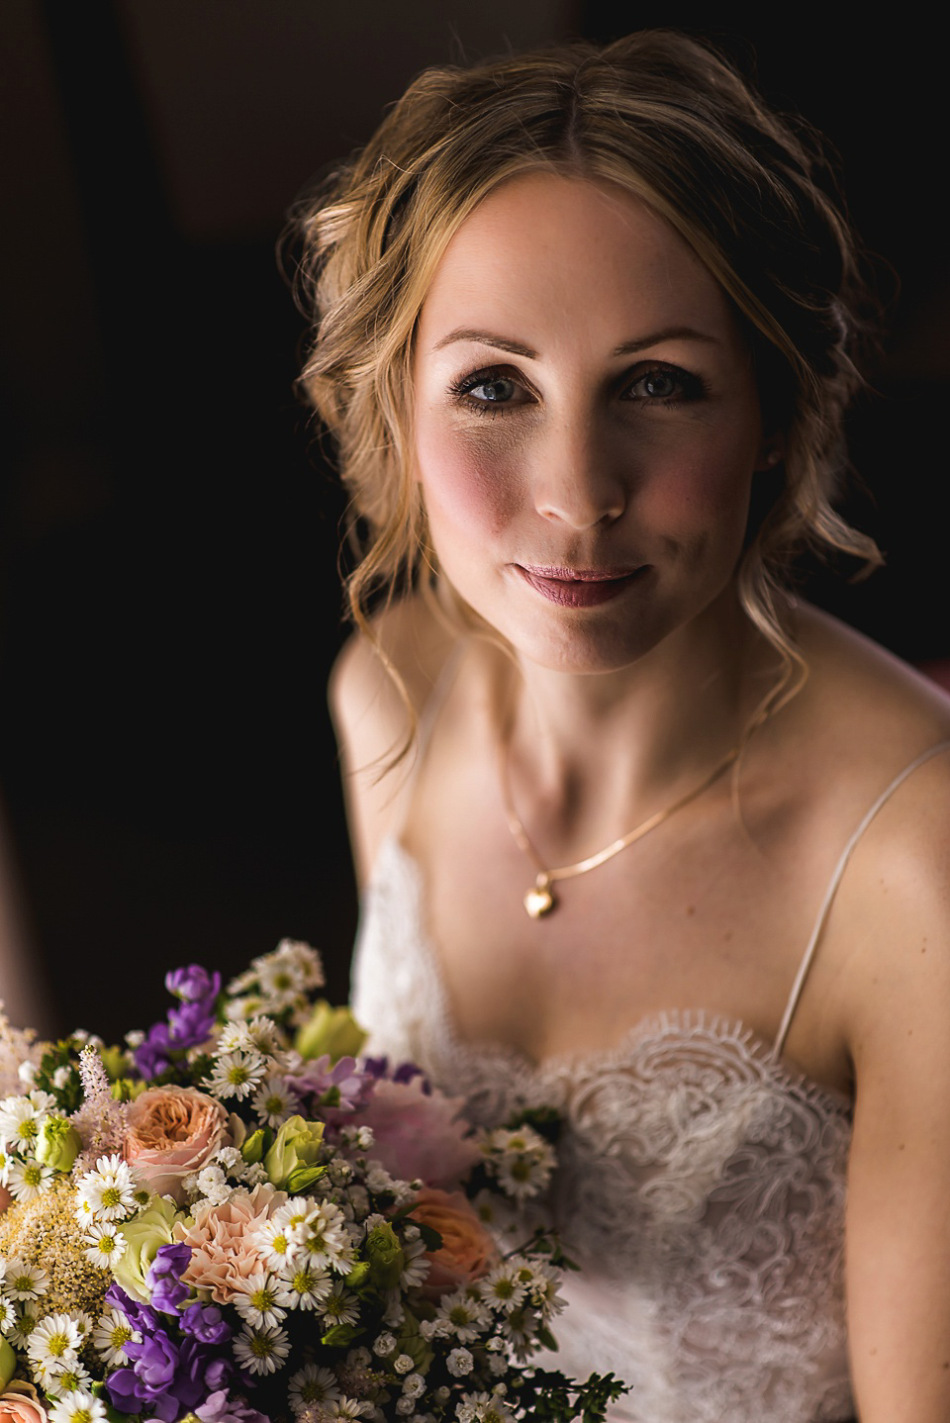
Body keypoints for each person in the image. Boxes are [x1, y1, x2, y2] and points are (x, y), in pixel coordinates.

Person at [290, 30, 950, 1423]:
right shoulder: (384, 696)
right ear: (396, 411)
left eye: (657, 381)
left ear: (769, 409)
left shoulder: (918, 866)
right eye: (493, 387)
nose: (579, 492)